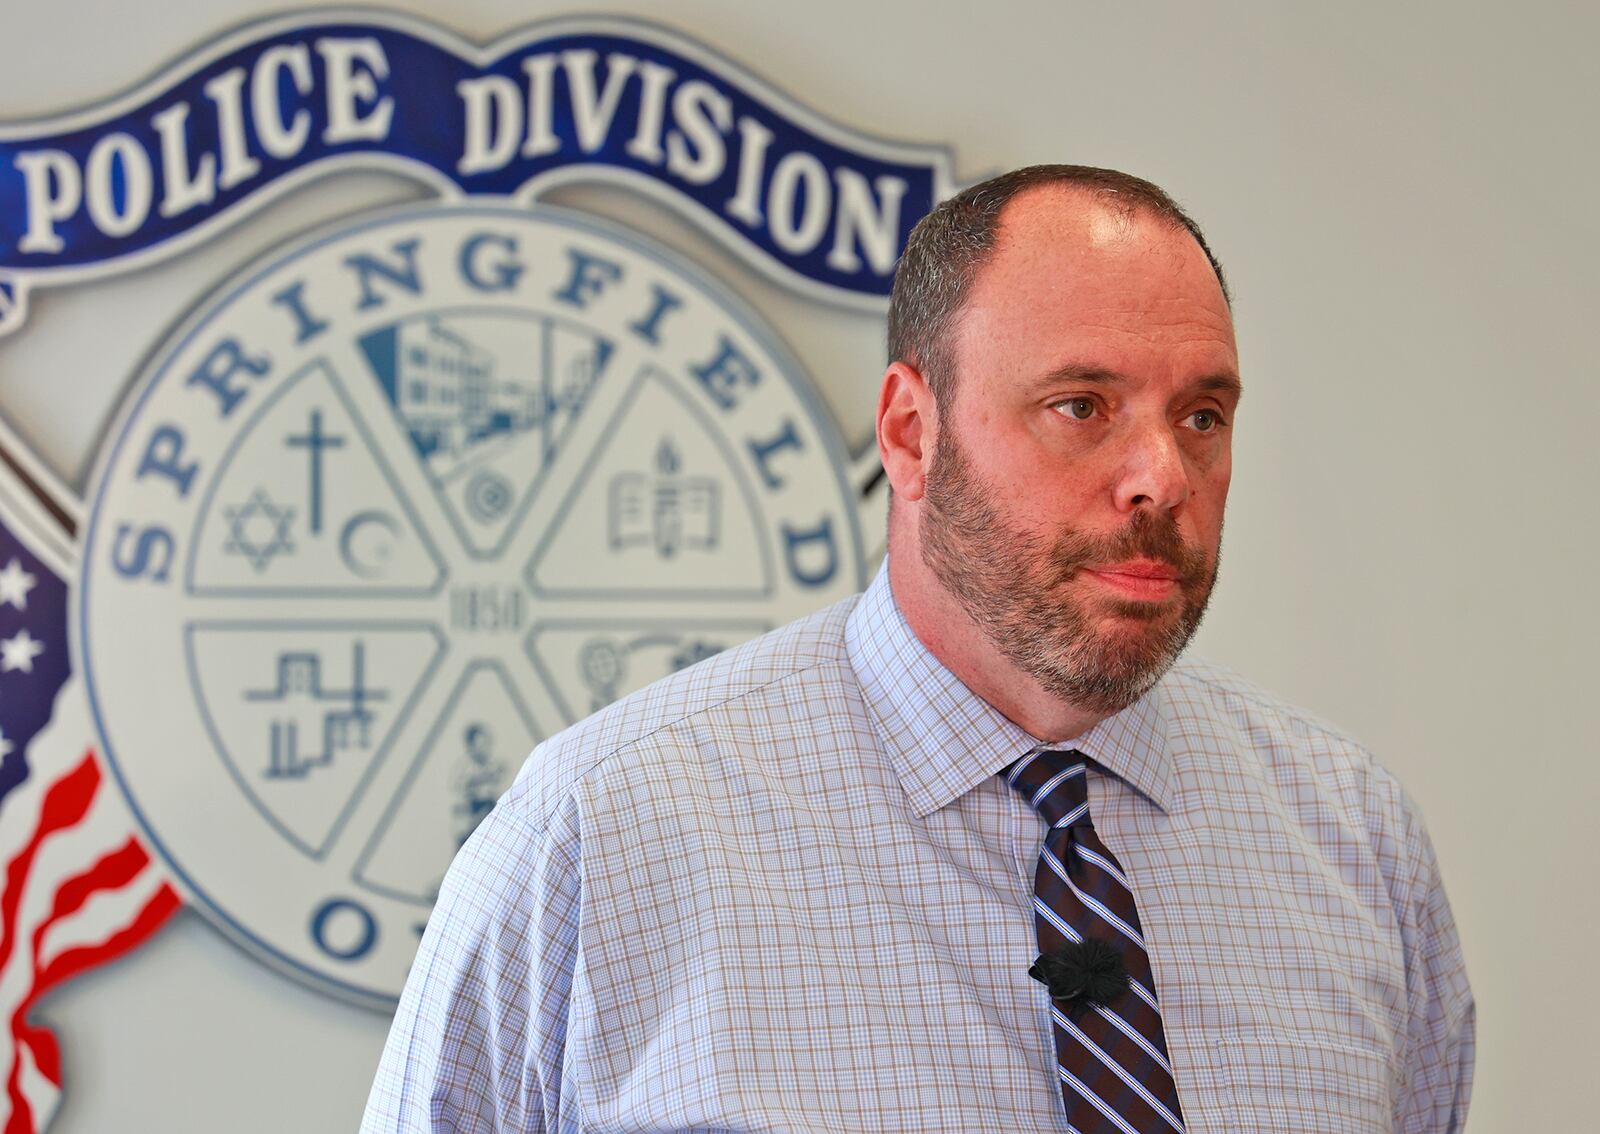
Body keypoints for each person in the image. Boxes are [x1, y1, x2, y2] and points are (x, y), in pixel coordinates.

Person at [361, 165, 1475, 1132]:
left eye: (1201, 416)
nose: (1162, 480)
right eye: (1081, 405)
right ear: (910, 432)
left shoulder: (1354, 843)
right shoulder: (603, 835)